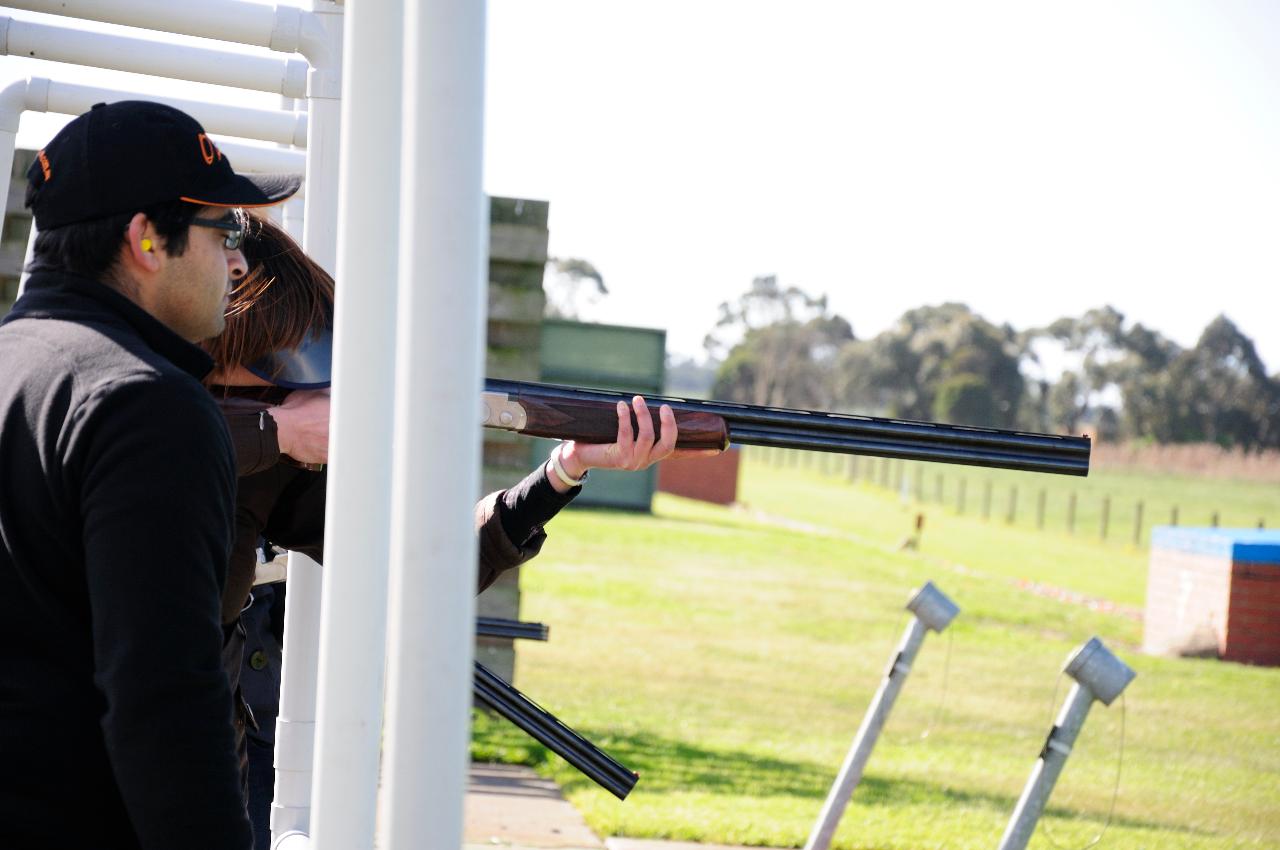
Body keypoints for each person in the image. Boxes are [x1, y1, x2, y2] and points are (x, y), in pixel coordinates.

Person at [207, 215, 707, 848]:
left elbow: (426, 573)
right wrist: (272, 431)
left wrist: (563, 471)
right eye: (277, 362)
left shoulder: (272, 466)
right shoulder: (149, 420)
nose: (306, 387)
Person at [0, 102, 300, 850]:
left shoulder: (17, 361)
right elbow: (165, 705)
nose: (238, 261)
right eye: (225, 229)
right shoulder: (149, 405)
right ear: (145, 239)